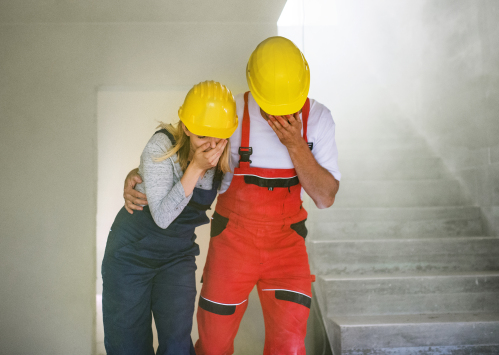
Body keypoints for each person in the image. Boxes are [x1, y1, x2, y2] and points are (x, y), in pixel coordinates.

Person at [124, 36, 341, 354]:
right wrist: (139, 175)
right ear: (252, 86)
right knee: (212, 344)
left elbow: (325, 198)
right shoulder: (233, 111)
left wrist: (295, 144)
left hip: (287, 247)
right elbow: (182, 150)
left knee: (290, 346)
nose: (278, 114)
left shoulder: (319, 119)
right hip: (232, 243)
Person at [102, 80, 238, 355]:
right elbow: (163, 216)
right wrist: (195, 170)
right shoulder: (159, 146)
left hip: (176, 257)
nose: (210, 147)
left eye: (218, 138)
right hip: (130, 256)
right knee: (128, 347)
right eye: (201, 137)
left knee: (177, 345)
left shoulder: (225, 156)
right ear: (186, 127)